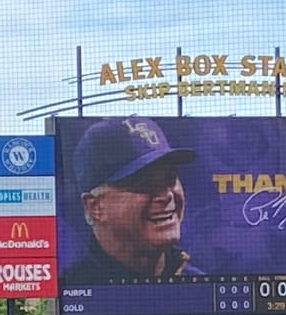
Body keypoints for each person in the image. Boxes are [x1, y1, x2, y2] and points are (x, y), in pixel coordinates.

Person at [61, 115, 204, 283]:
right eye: (143, 183)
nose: (166, 196)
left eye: (170, 179)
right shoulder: (73, 287)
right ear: (95, 207)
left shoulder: (198, 281)